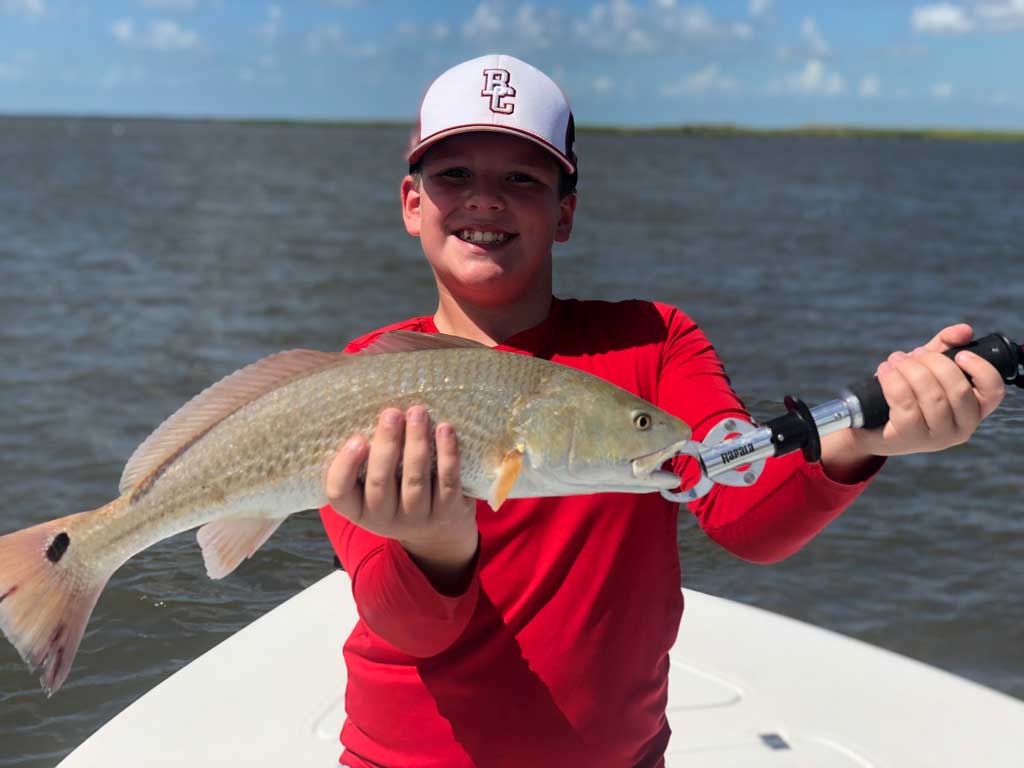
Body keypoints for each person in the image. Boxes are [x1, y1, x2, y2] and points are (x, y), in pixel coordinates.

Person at [317, 54, 1006, 768]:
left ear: (565, 212)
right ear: (412, 203)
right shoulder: (365, 383)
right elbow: (410, 628)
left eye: (522, 177)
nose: (484, 199)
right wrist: (434, 546)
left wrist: (865, 439)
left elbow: (746, 514)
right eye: (453, 174)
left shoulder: (657, 341)